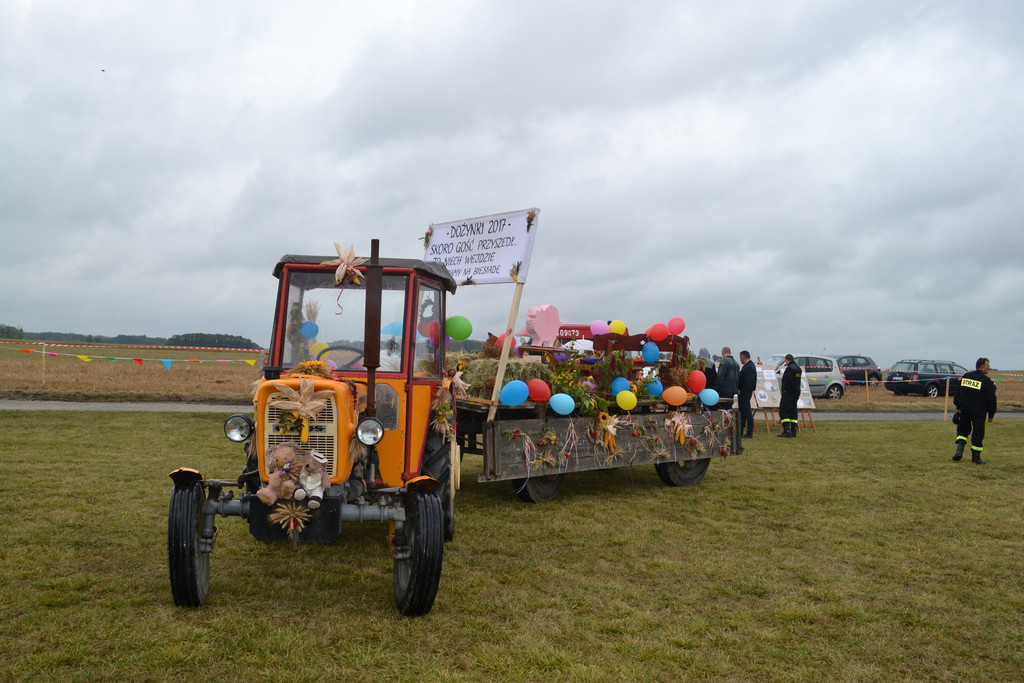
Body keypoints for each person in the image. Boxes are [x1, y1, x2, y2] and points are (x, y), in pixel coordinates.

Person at [952, 357, 997, 464]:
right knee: (978, 433)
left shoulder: (966, 376)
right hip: (979, 412)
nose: (989, 368)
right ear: (981, 367)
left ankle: (959, 451)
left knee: (962, 431)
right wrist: (991, 414)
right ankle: (976, 457)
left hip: (964, 409)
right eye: (988, 366)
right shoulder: (986, 381)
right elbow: (991, 399)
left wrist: (958, 407)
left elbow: (958, 393)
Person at [777, 354, 802, 438]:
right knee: (793, 410)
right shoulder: (798, 368)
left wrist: (784, 390)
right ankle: (794, 430)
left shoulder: (789, 369)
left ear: (787, 360)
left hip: (788, 392)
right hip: (796, 392)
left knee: (784, 410)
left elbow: (787, 381)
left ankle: (787, 430)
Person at [738, 350, 756, 438]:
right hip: (745, 392)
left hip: (745, 393)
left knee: (747, 412)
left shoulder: (749, 367)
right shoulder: (748, 366)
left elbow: (748, 382)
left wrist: (742, 390)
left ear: (743, 357)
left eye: (740, 357)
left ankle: (749, 432)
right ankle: (741, 430)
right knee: (743, 412)